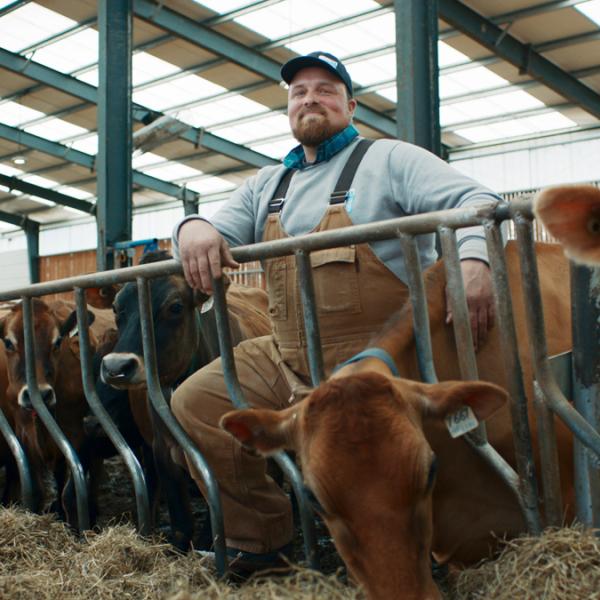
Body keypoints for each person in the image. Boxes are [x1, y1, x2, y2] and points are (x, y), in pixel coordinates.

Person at [170, 51, 502, 570]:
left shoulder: (390, 159)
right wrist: (191, 228)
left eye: (325, 90)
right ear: (288, 110)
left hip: (379, 361)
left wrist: (475, 261)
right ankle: (261, 540)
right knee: (197, 400)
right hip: (286, 355)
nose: (310, 99)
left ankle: (421, 551)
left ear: (350, 105)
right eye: (299, 92)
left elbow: (474, 199)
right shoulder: (266, 184)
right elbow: (213, 230)